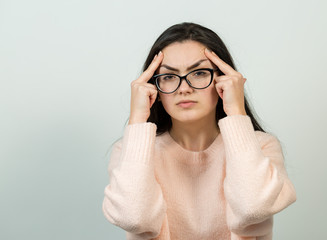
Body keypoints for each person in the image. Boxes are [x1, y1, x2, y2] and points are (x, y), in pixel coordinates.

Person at [102, 22, 297, 240]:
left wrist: (235, 111)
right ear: (154, 87)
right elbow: (134, 218)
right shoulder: (129, 151)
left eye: (199, 73)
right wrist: (138, 120)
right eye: (168, 77)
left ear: (224, 78)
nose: (184, 88)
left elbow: (252, 208)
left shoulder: (261, 146)